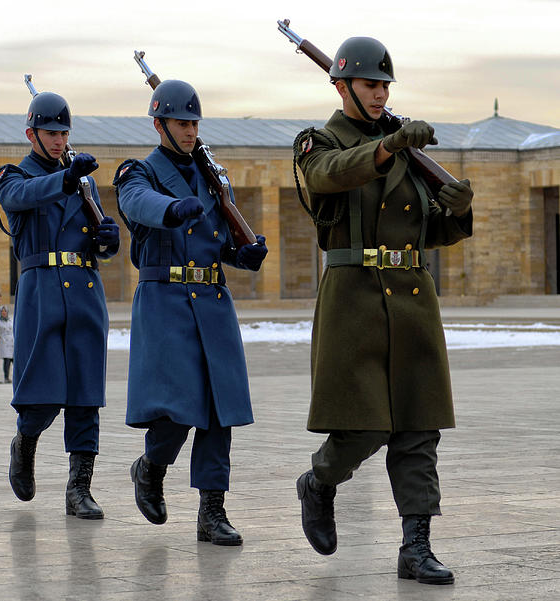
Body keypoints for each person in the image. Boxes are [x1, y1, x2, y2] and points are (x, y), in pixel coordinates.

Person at [292, 37, 474, 584]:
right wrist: (390, 145)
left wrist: (457, 212)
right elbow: (330, 174)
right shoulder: (317, 141)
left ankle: (415, 546)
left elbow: (426, 230)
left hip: (413, 297)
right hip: (356, 299)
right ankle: (319, 482)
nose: (380, 93)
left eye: (385, 85)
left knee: (420, 425)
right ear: (342, 84)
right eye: (371, 84)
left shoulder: (410, 154)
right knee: (364, 424)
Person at [114, 79, 268, 545]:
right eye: (182, 122)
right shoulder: (138, 171)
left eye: (195, 123)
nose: (189, 130)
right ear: (159, 124)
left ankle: (212, 511)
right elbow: (135, 202)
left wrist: (245, 254)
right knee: (178, 406)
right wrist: (171, 208)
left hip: (212, 300)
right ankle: (151, 466)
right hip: (166, 301)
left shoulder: (213, 176)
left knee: (220, 411)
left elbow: (220, 241)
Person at [0, 88, 120, 519]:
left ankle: (79, 489)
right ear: (31, 133)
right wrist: (66, 179)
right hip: (42, 289)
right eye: (49, 132)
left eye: (63, 132)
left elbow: (98, 229)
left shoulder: (82, 180)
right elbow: (18, 200)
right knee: (41, 394)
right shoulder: (13, 175)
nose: (58, 140)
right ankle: (24, 442)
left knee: (86, 394)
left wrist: (107, 240)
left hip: (84, 289)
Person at [0, 305, 14, 383]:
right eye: (2, 311)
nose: (3, 312)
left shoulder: (10, 320)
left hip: (11, 342)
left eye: (5, 311)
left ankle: (17, 376)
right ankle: (6, 377)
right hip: (4, 342)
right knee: (6, 360)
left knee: (14, 360)